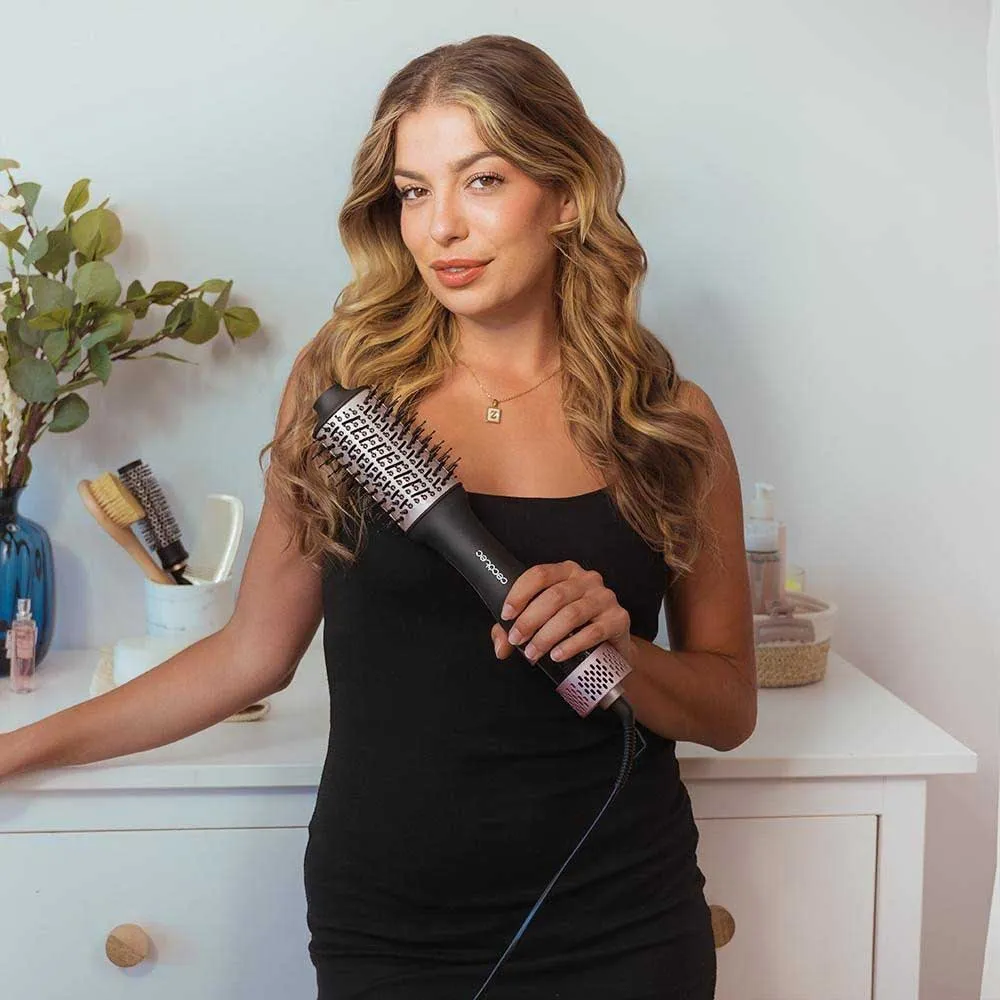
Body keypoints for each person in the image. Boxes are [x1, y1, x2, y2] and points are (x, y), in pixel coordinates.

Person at [0, 33, 755, 1000]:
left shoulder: (666, 422)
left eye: (483, 180)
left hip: (623, 916)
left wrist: (622, 652)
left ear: (566, 196)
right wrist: (18, 747)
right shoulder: (346, 390)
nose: (442, 227)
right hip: (392, 928)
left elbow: (729, 707)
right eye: (412, 191)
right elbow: (249, 657)